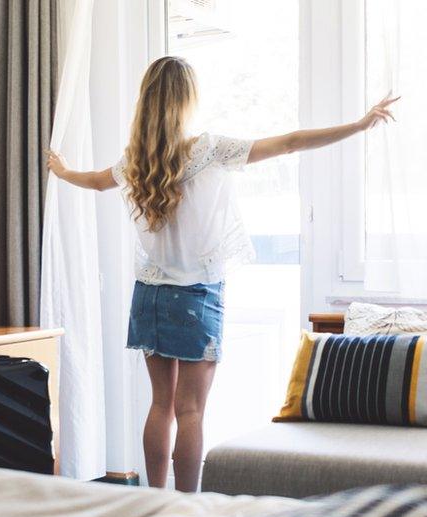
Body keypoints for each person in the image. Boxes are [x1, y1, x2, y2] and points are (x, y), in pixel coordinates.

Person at [46, 56, 398, 492]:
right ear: (186, 100)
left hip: (149, 295)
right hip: (195, 296)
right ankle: (185, 505)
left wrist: (61, 171)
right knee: (190, 410)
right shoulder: (209, 149)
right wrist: (358, 126)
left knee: (160, 405)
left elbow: (97, 181)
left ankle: (154, 501)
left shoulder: (135, 162)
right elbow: (290, 142)